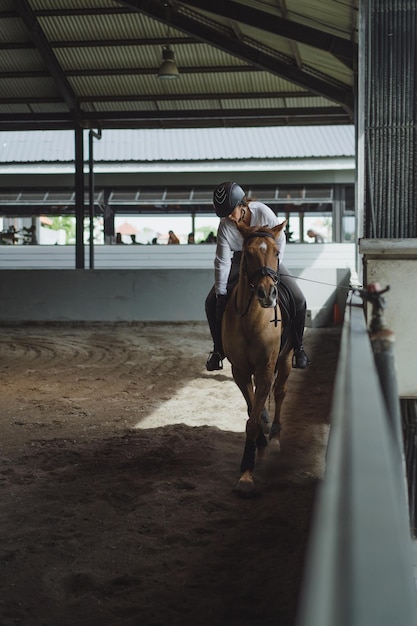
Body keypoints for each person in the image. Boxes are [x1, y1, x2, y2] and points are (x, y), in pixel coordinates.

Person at [205, 181, 310, 371]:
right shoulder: (225, 226)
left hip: (269, 259)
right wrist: (221, 293)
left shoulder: (263, 212)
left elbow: (280, 237)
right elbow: (222, 261)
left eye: (231, 212)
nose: (229, 217)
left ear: (242, 205)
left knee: (299, 299)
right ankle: (218, 351)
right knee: (211, 301)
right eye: (224, 214)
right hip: (240, 260)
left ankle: (299, 347)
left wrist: (274, 268)